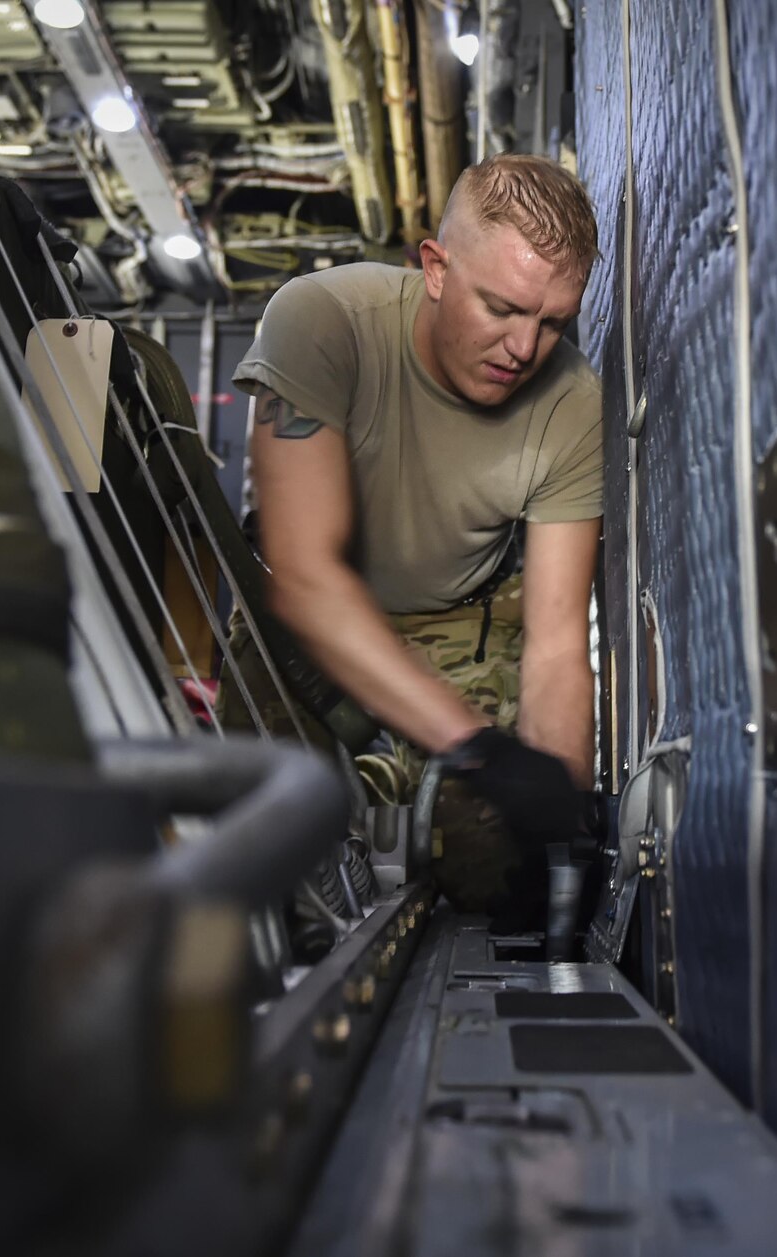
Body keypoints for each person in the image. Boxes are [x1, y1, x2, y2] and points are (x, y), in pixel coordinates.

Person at [230, 153, 603, 923]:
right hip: (300, 625)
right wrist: (478, 748)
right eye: (501, 307)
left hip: (459, 627)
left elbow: (558, 647)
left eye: (552, 321)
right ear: (434, 267)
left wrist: (555, 814)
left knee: (502, 877)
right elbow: (304, 576)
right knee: (277, 869)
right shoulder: (322, 322)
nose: (523, 349)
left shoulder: (572, 404)